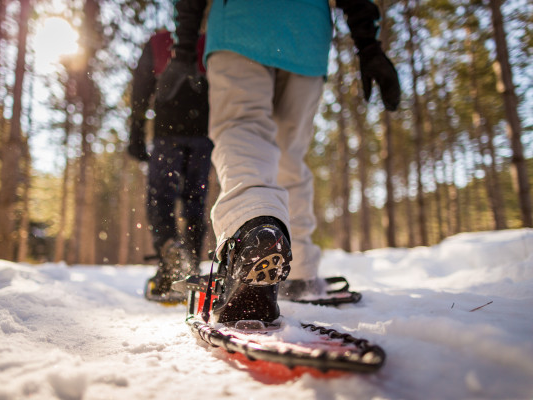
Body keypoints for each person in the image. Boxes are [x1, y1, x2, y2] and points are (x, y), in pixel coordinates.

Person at [159, 0, 400, 322]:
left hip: (239, 27)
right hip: (306, 37)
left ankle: (253, 233)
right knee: (290, 154)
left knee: (242, 129)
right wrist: (368, 46)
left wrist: (184, 48)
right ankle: (298, 271)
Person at [128, 29, 213, 301]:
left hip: (167, 134)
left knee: (160, 199)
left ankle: (169, 260)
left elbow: (141, 90)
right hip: (203, 136)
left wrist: (137, 133)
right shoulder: (211, 41)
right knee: (194, 201)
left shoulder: (160, 42)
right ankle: (189, 267)